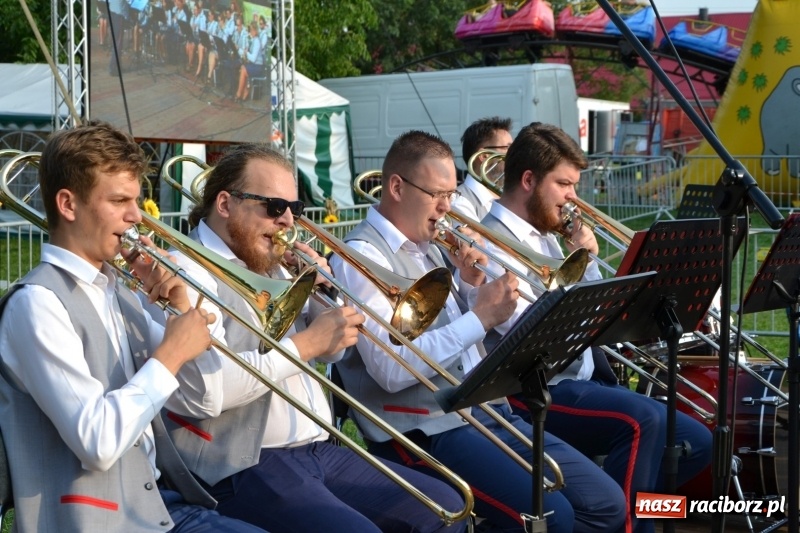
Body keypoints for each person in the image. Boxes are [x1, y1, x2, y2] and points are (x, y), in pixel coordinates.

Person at [163, 143, 469, 533]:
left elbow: (337, 356)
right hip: (239, 465)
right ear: (225, 204)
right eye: (275, 207)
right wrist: (306, 343)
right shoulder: (186, 270)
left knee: (443, 508)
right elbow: (212, 389)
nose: (288, 221)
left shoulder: (266, 259)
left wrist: (323, 298)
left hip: (317, 449)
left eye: (296, 209)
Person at [331, 130, 627, 533]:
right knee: (551, 519)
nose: (446, 208)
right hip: (425, 428)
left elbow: (456, 338)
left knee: (606, 505)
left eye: (451, 195)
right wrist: (481, 318)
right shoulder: (360, 256)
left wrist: (470, 289)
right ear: (396, 188)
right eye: (435, 194)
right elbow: (391, 369)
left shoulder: (432, 247)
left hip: (486, 410)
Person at [0, 121, 266, 533]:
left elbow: (203, 394)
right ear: (68, 205)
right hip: (92, 519)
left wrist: (178, 306)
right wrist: (170, 353)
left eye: (136, 199)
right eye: (120, 200)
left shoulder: (119, 289)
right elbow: (98, 443)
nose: (135, 216)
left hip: (156, 503)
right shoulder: (37, 303)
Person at [478, 122, 712, 533]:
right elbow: (535, 338)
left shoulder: (548, 232)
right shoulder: (490, 241)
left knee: (699, 441)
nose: (573, 198)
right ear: (529, 180)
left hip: (585, 379)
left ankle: (627, 513)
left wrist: (589, 270)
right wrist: (584, 272)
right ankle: (627, 521)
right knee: (645, 423)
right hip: (535, 390)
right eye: (564, 184)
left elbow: (593, 322)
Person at [452, 116, 513, 221]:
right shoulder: (460, 202)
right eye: (508, 148)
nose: (514, 154)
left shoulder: (508, 198)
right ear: (484, 155)